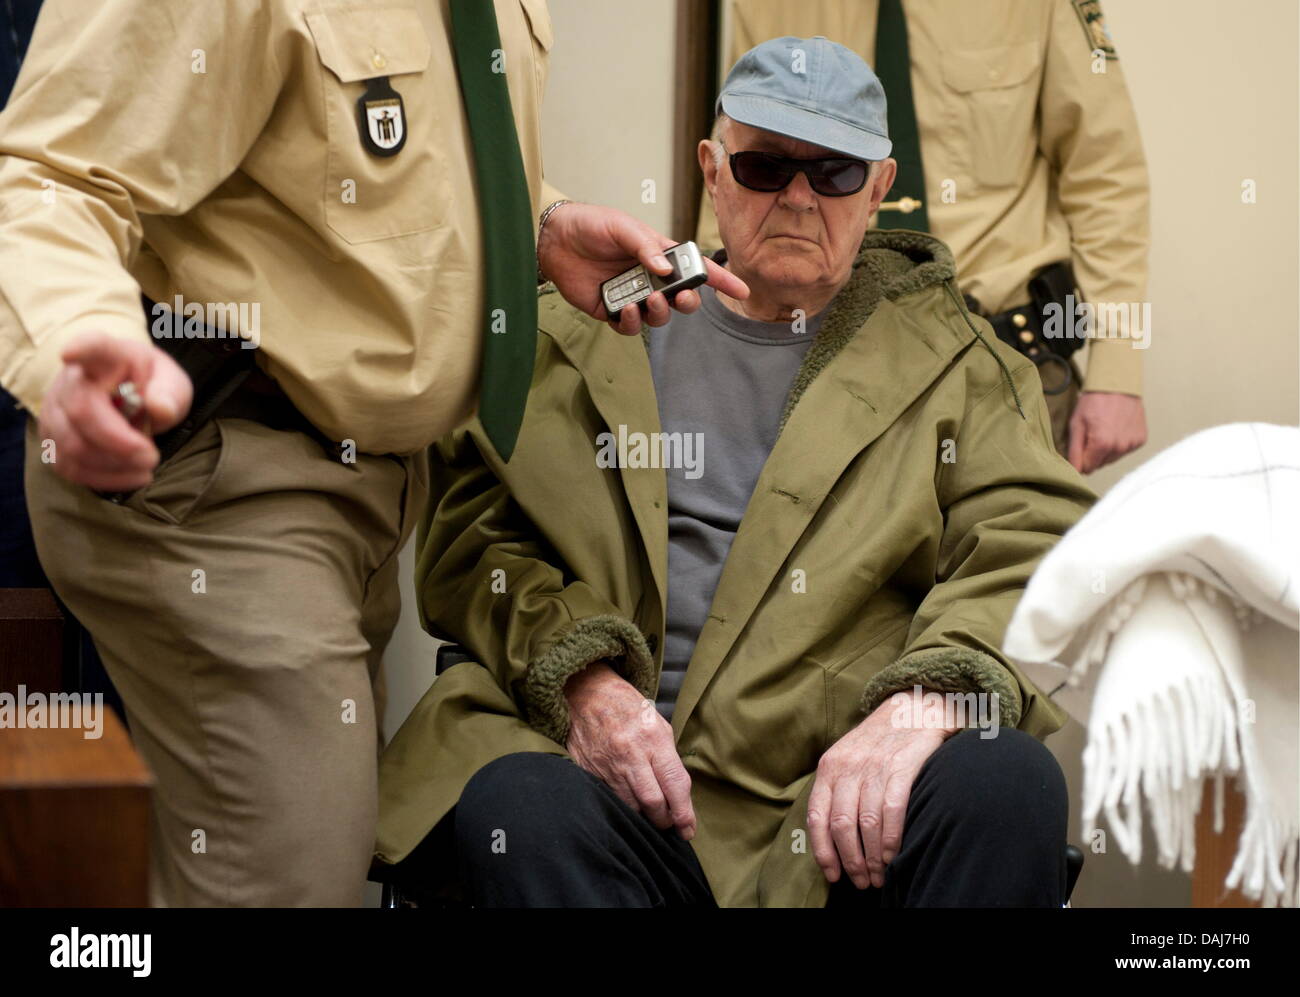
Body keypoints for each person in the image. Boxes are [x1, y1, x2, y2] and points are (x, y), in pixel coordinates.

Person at [0, 0, 744, 907]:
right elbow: (49, 176)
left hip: (366, 491)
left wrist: (538, 230)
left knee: (272, 859)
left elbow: (378, 168)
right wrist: (73, 341)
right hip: (226, 480)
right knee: (288, 882)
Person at [376, 37, 1096, 907]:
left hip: (836, 828)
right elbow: (478, 544)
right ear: (712, 171)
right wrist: (584, 684)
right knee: (516, 801)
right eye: (764, 166)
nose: (797, 197)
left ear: (879, 186)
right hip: (610, 805)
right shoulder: (576, 334)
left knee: (1006, 778)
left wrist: (925, 705)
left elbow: (1036, 556)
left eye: (833, 173)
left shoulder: (966, 370)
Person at [698, 0, 1151, 475]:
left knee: (1018, 542)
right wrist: (716, 339)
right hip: (820, 369)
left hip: (1002, 361)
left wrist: (1116, 372)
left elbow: (1105, 174)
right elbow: (738, 168)